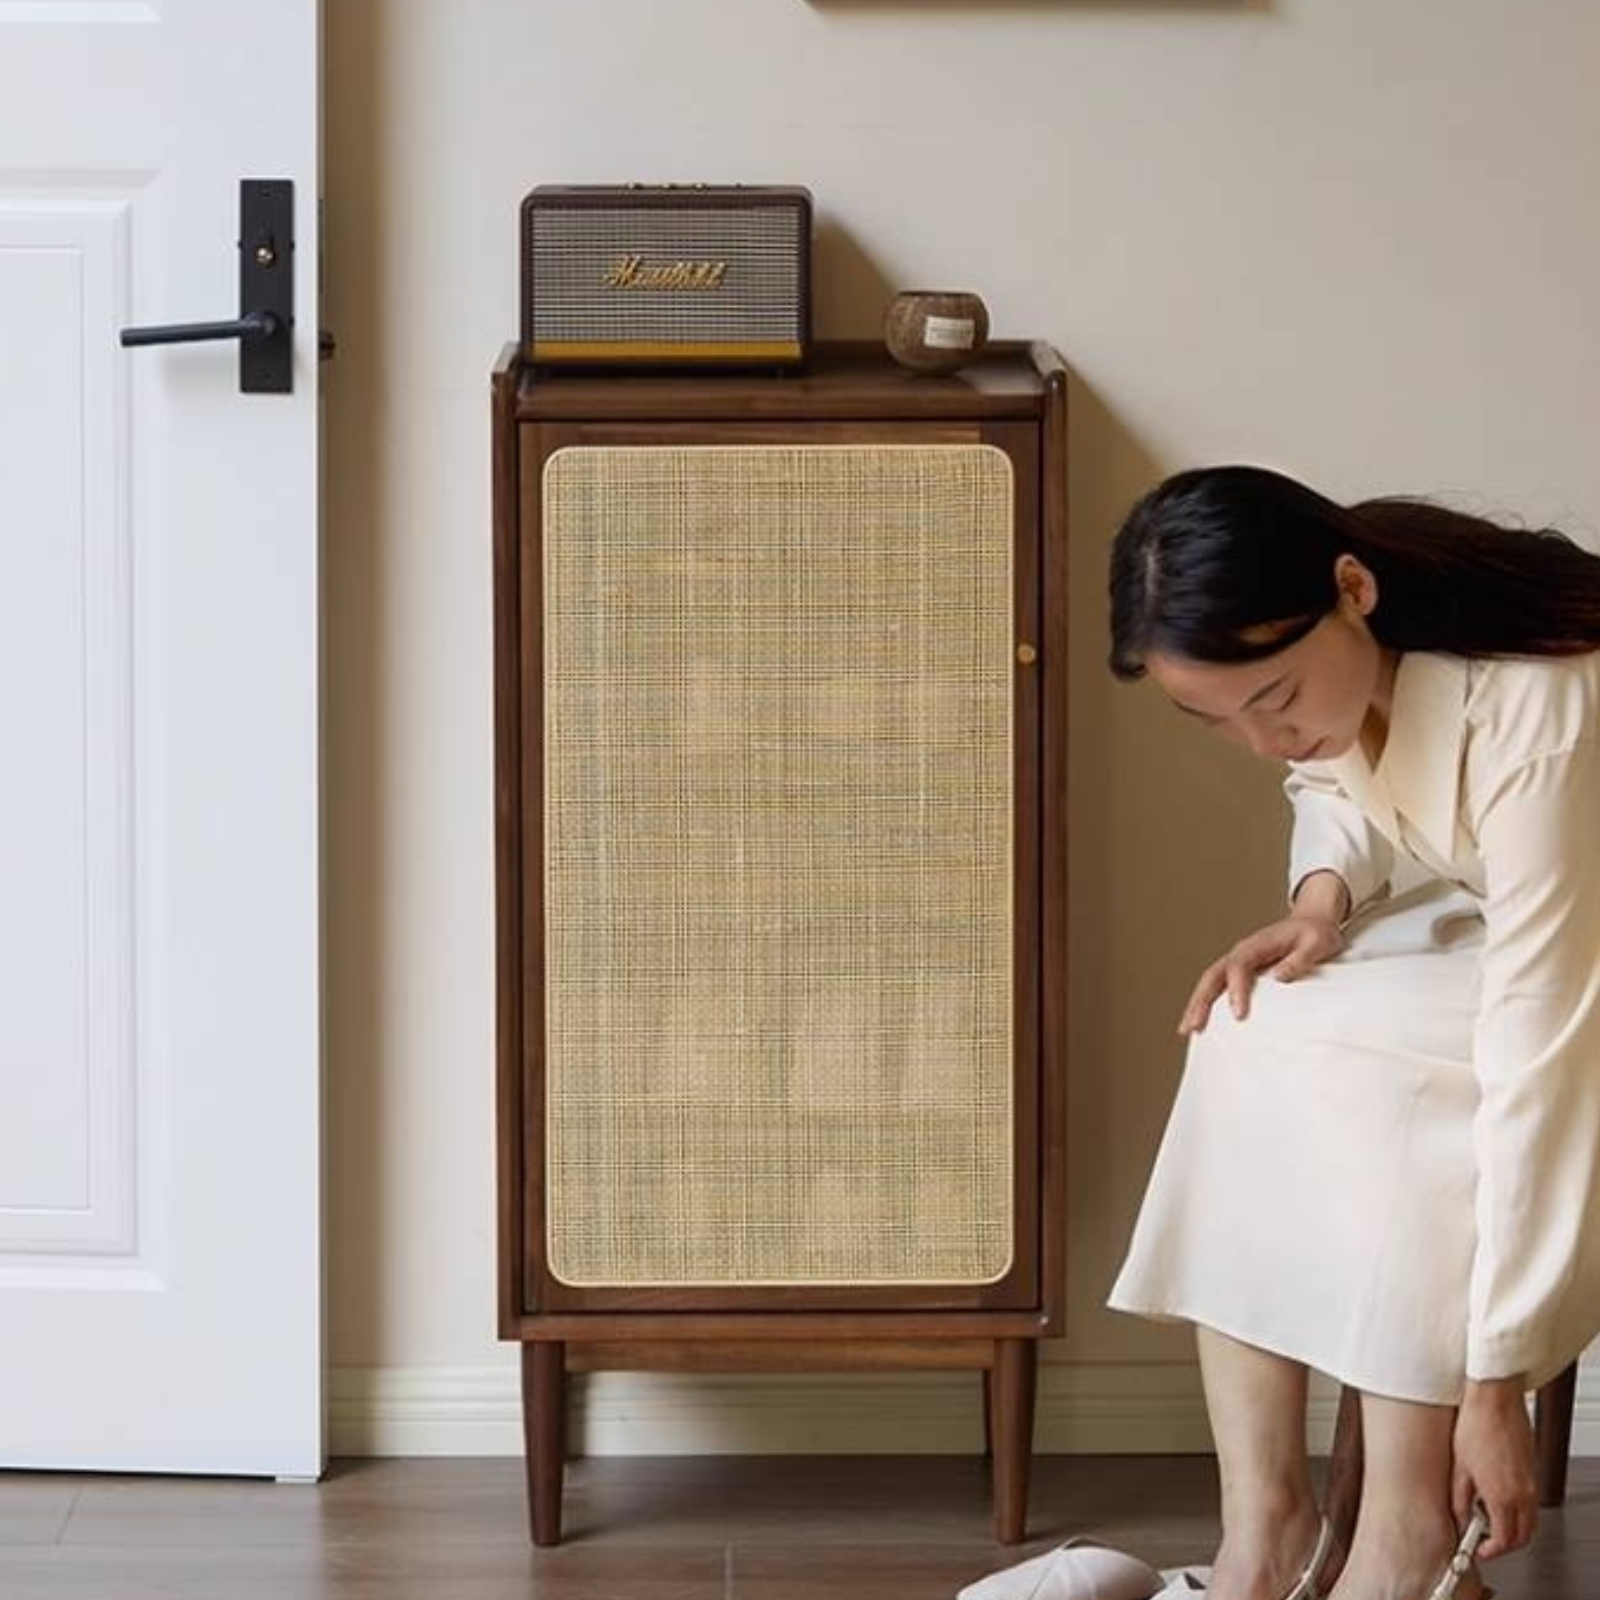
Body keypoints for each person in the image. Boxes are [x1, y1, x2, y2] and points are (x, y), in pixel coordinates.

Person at [1104, 464, 1600, 1600]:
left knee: (1414, 1083)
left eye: (1271, 698)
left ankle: (1405, 1537)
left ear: (1349, 587)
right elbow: (1336, 776)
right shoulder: (1370, 644)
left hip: (1571, 953)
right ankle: (1266, 1538)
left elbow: (1540, 1043)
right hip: (1516, 916)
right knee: (1246, 1019)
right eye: (1215, 718)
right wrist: (1317, 906)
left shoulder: (1539, 704)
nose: (1263, 740)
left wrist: (1495, 1381)